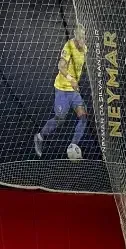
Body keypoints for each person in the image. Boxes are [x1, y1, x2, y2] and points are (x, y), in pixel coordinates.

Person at [34, 25, 88, 160]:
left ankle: (73, 146)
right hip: (62, 90)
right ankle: (39, 137)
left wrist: (76, 82)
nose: (83, 40)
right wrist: (71, 80)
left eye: (84, 37)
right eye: (81, 37)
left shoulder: (85, 49)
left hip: (73, 92)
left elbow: (78, 67)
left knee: (83, 116)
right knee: (60, 119)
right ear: (76, 37)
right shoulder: (69, 46)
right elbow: (61, 66)